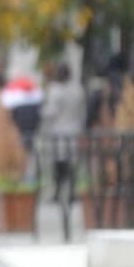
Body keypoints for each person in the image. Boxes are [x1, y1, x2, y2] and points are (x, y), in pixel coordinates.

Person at [40, 63, 86, 202]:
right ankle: (71, 191)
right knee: (72, 163)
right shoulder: (78, 90)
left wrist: (41, 111)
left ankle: (58, 192)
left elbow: (51, 112)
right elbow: (83, 112)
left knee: (59, 165)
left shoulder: (56, 90)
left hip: (59, 131)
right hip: (75, 130)